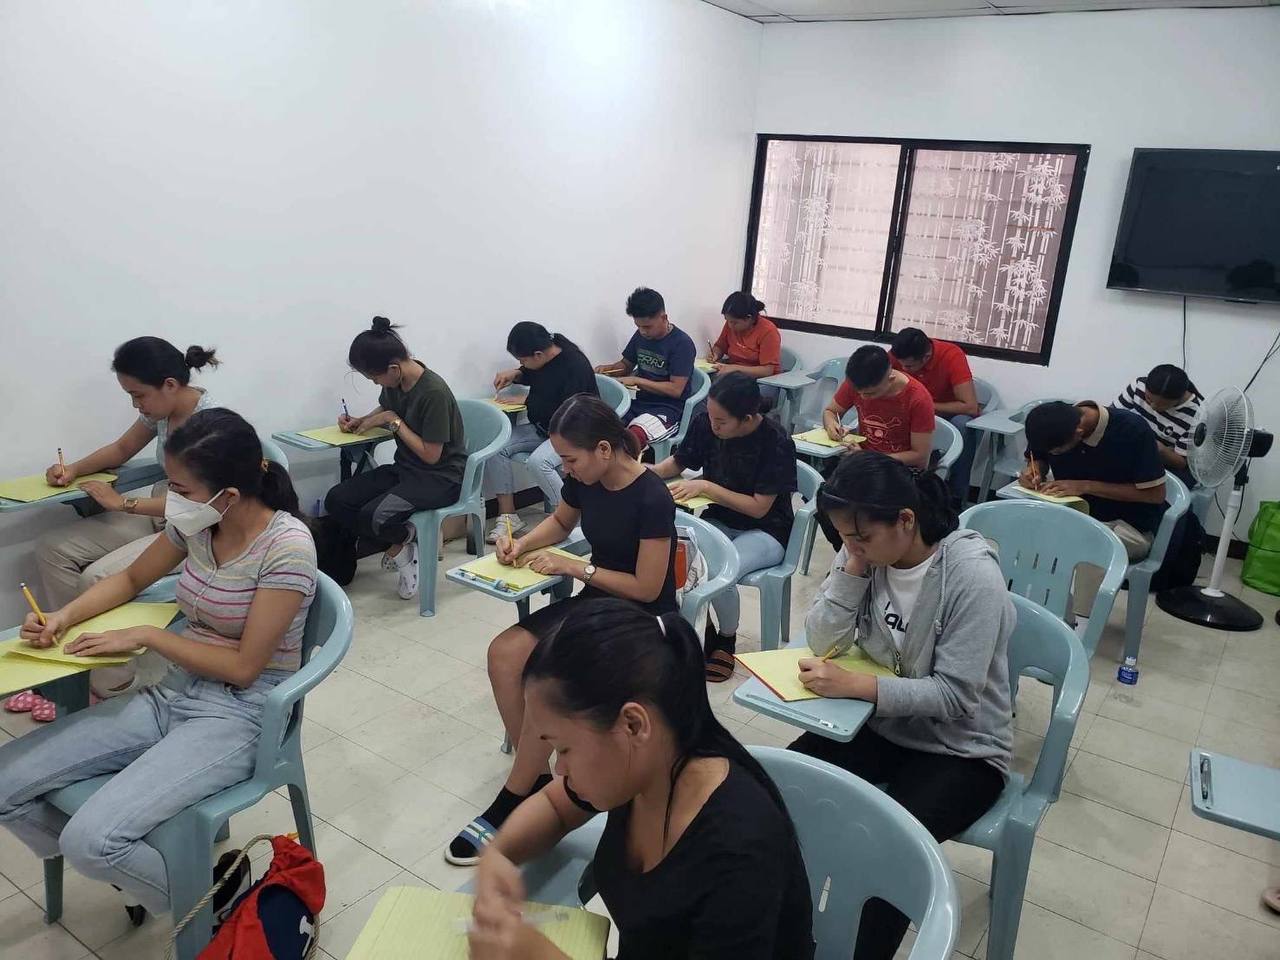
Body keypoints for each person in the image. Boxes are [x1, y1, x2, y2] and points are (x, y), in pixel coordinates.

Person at [0, 408, 317, 922]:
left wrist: (148, 635)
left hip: (241, 713)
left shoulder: (286, 549)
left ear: (228, 495)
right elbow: (128, 580)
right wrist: (61, 617)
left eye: (181, 490)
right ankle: (139, 875)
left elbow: (243, 668)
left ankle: (216, 907)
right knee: (7, 782)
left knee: (92, 841)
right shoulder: (198, 523)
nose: (171, 502)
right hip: (175, 692)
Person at [468, 598, 816, 960]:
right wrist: (500, 855)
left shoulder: (739, 850)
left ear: (633, 724)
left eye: (565, 749)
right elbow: (556, 806)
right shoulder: (642, 769)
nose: (560, 769)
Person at [790, 451, 1013, 960]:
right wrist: (851, 565)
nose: (852, 546)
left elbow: (956, 697)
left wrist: (857, 687)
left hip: (963, 750)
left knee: (887, 853)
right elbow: (821, 636)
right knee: (785, 792)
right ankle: (792, 933)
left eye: (860, 536)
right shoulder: (869, 558)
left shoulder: (971, 577)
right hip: (884, 726)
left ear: (906, 520)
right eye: (843, 535)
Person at [448, 395, 677, 865]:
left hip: (639, 617)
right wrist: (521, 544)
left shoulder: (651, 495)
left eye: (570, 460)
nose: (565, 470)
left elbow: (649, 585)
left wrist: (576, 568)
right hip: (596, 601)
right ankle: (534, 775)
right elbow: (560, 520)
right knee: (506, 652)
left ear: (604, 450)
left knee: (546, 679)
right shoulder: (585, 480)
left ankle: (518, 794)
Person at [18, 337, 218, 712]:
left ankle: (113, 682)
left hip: (193, 527)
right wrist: (73, 469)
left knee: (95, 577)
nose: (135, 405)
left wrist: (123, 503)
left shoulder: (212, 424)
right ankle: (69, 657)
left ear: (170, 385)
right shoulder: (160, 411)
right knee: (53, 549)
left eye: (138, 395)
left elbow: (204, 504)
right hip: (161, 514)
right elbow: (122, 449)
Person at [651, 373, 797, 681]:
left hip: (767, 529)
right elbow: (679, 463)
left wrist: (707, 487)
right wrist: (646, 472)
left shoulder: (776, 440)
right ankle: (703, 629)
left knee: (718, 569)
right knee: (677, 558)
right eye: (711, 417)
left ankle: (726, 640)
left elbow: (759, 507)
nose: (713, 426)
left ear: (747, 418)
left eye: (722, 422)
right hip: (718, 519)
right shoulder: (707, 422)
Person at [322, 317, 466, 598]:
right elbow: (385, 409)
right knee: (337, 499)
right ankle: (402, 545)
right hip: (406, 469)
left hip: (441, 477)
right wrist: (359, 420)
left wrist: (393, 422)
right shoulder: (396, 382)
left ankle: (404, 551)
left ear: (394, 368)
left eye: (375, 378)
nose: (376, 383)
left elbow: (431, 455)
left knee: (375, 517)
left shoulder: (433, 392)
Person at [1022, 399, 1167, 615]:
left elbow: (1156, 495)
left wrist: (1087, 486)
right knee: (1028, 537)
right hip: (1074, 517)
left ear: (1079, 433)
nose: (1054, 455)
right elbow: (1040, 456)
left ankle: (1081, 627)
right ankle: (1031, 612)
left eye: (1057, 452)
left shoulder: (1131, 431)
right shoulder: (1051, 423)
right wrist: (1034, 469)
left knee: (1087, 545)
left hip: (1129, 527)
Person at [485, 321, 598, 542]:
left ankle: (567, 517)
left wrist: (528, 400)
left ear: (538, 354)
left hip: (574, 433)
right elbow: (534, 374)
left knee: (540, 462)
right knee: (496, 447)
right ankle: (508, 516)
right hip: (544, 429)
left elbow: (569, 411)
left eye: (523, 360)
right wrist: (516, 374)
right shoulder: (547, 354)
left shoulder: (574, 365)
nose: (521, 364)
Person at [816, 345, 935, 550]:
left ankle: (871, 558)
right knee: (825, 500)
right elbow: (830, 411)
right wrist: (831, 425)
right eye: (859, 392)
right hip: (862, 462)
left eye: (871, 394)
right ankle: (848, 554)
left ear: (889, 377)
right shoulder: (857, 383)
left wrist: (870, 457)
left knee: (867, 513)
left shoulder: (917, 398)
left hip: (899, 470)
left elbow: (920, 456)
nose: (863, 398)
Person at [595, 287, 696, 449]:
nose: (642, 331)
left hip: (669, 409)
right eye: (638, 326)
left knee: (631, 439)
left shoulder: (682, 344)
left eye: (647, 327)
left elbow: (676, 389)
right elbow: (625, 366)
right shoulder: (640, 335)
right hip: (640, 403)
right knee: (602, 428)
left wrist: (637, 381)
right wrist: (606, 370)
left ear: (664, 318)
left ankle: (629, 473)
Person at [889, 327, 980, 502]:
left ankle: (956, 498)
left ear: (926, 357)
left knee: (964, 424)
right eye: (900, 365)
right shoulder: (898, 354)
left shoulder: (951, 355)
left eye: (908, 366)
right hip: (910, 412)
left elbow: (970, 407)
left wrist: (924, 406)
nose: (903, 369)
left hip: (946, 414)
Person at [1115, 363, 1203, 486]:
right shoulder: (1138, 386)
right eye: (1149, 399)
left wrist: (1159, 450)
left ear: (1179, 398)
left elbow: (1181, 463)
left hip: (1165, 462)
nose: (1153, 407)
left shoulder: (1196, 416)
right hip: (1136, 451)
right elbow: (1112, 416)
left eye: (1164, 405)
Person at [707, 292, 783, 402]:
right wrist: (715, 353)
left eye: (734, 322)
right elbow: (720, 345)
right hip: (734, 375)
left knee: (725, 396)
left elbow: (767, 370)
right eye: (727, 320)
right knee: (705, 384)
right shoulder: (731, 325)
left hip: (761, 381)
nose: (729, 325)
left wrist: (735, 369)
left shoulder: (768, 331)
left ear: (749, 318)